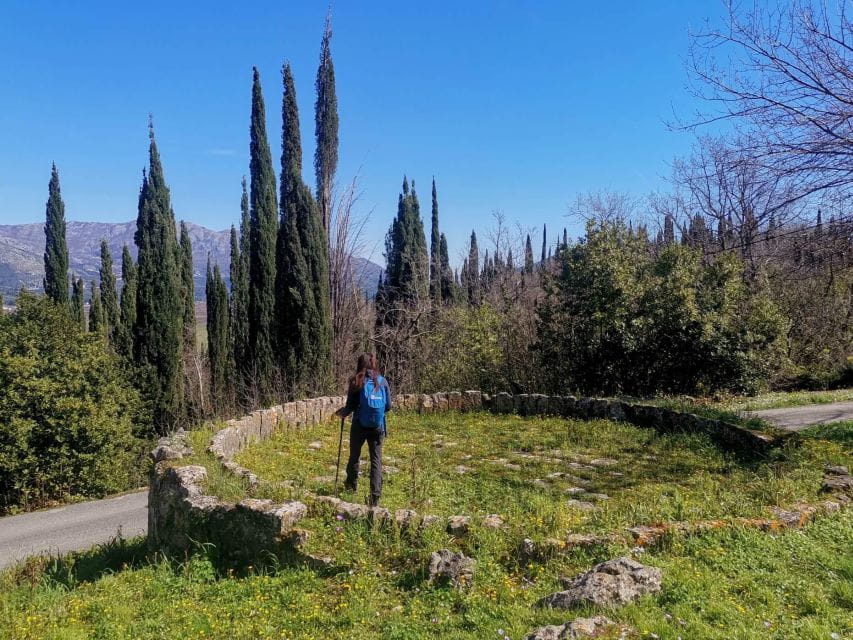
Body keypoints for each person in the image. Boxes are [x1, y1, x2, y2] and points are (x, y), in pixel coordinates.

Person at [335, 353, 392, 506]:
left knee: (354, 456)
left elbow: (350, 406)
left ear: (359, 364)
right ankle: (375, 496)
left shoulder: (356, 381)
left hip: (359, 424)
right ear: (374, 364)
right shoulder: (382, 381)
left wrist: (343, 412)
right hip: (377, 427)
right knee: (376, 460)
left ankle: (351, 486)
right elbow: (388, 406)